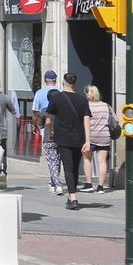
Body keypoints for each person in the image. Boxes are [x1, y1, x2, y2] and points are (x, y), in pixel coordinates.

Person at [45, 73, 92, 210]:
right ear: (74, 83)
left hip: (63, 138)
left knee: (67, 167)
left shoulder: (56, 98)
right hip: (79, 138)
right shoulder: (82, 100)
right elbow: (87, 120)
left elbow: (48, 120)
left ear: (64, 82)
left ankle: (73, 197)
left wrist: (50, 131)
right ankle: (72, 194)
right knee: (74, 168)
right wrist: (88, 140)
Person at [32, 70, 64, 195]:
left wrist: (35, 125)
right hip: (61, 131)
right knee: (57, 159)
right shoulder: (61, 92)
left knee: (51, 159)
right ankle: (53, 181)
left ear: (45, 80)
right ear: (55, 80)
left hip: (47, 131)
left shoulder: (40, 93)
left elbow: (35, 112)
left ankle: (56, 183)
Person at [85, 85, 114, 193]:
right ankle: (100, 187)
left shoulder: (86, 106)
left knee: (87, 159)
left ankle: (89, 184)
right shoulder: (106, 105)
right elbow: (115, 119)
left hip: (90, 136)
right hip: (104, 136)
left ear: (88, 95)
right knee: (102, 161)